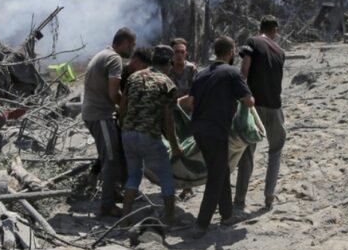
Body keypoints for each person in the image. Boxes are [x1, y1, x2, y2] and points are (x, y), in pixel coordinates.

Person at [187, 36, 255, 238]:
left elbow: (190, 103)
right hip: (216, 131)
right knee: (216, 176)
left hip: (198, 130)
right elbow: (248, 101)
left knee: (221, 169)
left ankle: (227, 215)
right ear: (231, 52)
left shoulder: (200, 74)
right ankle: (201, 224)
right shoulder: (232, 72)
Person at [119, 45, 182, 226]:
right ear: (169, 64)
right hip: (149, 136)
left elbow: (123, 106)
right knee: (166, 176)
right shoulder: (167, 84)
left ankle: (125, 218)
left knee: (133, 176)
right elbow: (168, 120)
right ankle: (170, 218)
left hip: (128, 134)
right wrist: (175, 146)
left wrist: (124, 127)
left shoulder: (134, 77)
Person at [82, 27, 136, 217]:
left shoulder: (103, 54)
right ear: (125, 43)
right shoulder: (114, 59)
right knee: (111, 159)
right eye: (132, 45)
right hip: (100, 115)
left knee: (112, 155)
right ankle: (107, 205)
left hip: (95, 113)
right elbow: (113, 93)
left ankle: (112, 192)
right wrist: (125, 108)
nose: (132, 49)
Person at [236, 16, 287, 212]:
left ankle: (240, 200)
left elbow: (244, 71)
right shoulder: (280, 51)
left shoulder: (252, 42)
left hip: (254, 105)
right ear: (275, 30)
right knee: (276, 150)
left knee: (248, 152)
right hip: (275, 106)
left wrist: (239, 96)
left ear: (261, 28)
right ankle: (269, 197)